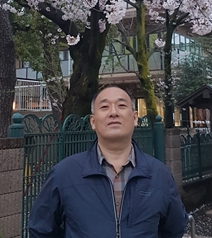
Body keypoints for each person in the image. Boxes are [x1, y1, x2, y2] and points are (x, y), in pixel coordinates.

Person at [28, 85, 189, 238]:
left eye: (121, 106)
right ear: (93, 121)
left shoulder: (159, 175)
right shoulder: (64, 173)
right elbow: (41, 230)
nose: (113, 112)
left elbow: (174, 229)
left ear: (135, 118)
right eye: (104, 107)